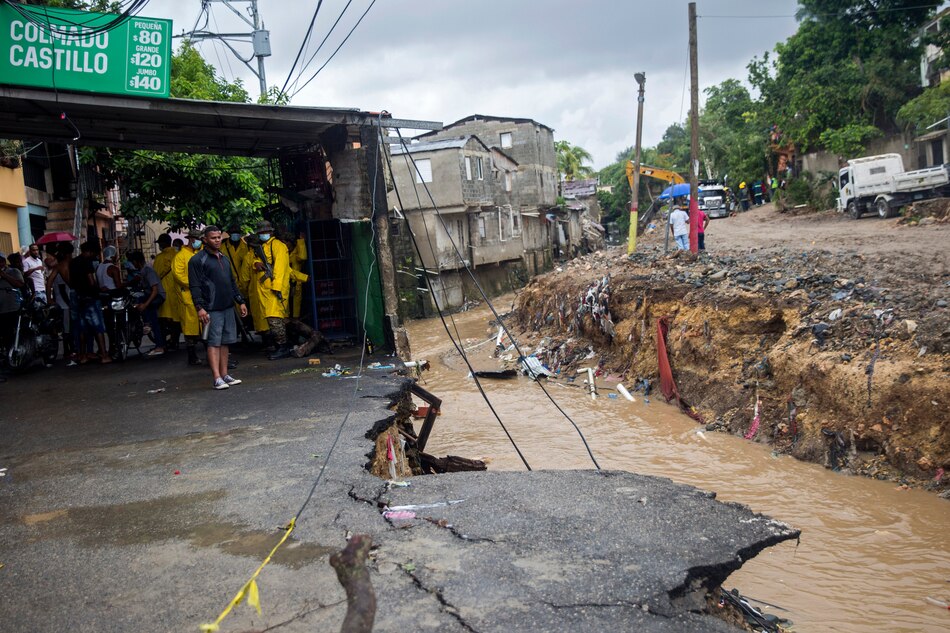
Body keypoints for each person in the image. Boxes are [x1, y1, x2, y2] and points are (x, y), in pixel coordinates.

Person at [188, 226, 247, 390]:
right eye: (213, 238)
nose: (217, 240)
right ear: (205, 240)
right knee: (213, 342)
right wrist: (200, 307)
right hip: (211, 308)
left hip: (228, 305)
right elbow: (195, 286)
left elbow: (232, 282)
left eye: (219, 237)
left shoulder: (224, 258)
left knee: (225, 342)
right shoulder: (197, 260)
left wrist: (240, 301)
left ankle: (225, 374)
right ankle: (216, 378)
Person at [248, 220, 293, 360]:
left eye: (265, 232)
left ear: (271, 232)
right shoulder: (261, 247)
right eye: (261, 232)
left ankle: (283, 347)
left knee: (275, 320)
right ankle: (280, 346)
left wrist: (276, 288)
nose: (263, 234)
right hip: (265, 290)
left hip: (274, 290)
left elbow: (280, 268)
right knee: (272, 319)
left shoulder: (278, 246)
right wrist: (256, 264)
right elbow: (252, 262)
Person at [68, 241, 111, 364]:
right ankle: (104, 355)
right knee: (98, 327)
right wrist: (98, 290)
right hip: (89, 297)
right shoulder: (87, 263)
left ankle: (83, 356)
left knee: (81, 328)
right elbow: (91, 281)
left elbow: (72, 282)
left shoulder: (73, 262)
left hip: (77, 296)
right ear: (91, 251)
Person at [126, 250, 166, 357]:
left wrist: (146, 304)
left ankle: (159, 345)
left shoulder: (148, 271)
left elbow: (155, 290)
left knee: (153, 320)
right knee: (138, 300)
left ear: (136, 261)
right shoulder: (142, 271)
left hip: (157, 296)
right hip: (150, 295)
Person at [173, 229, 204, 366]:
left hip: (203, 295)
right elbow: (179, 275)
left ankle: (211, 355)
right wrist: (196, 283)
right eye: (197, 239)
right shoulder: (180, 256)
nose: (199, 242)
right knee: (190, 330)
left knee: (206, 327)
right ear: (190, 239)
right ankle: (192, 356)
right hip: (188, 296)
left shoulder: (202, 254)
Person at [152, 233, 181, 350]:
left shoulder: (160, 258)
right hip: (178, 291)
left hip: (164, 292)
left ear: (163, 244)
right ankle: (175, 341)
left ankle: (164, 342)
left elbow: (155, 275)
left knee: (164, 319)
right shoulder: (178, 254)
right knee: (176, 319)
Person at [0, 253, 26, 354]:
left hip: (12, 308)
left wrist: (4, 275)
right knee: (4, 334)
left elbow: (20, 284)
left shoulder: (13, 271)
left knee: (13, 333)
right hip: (1, 310)